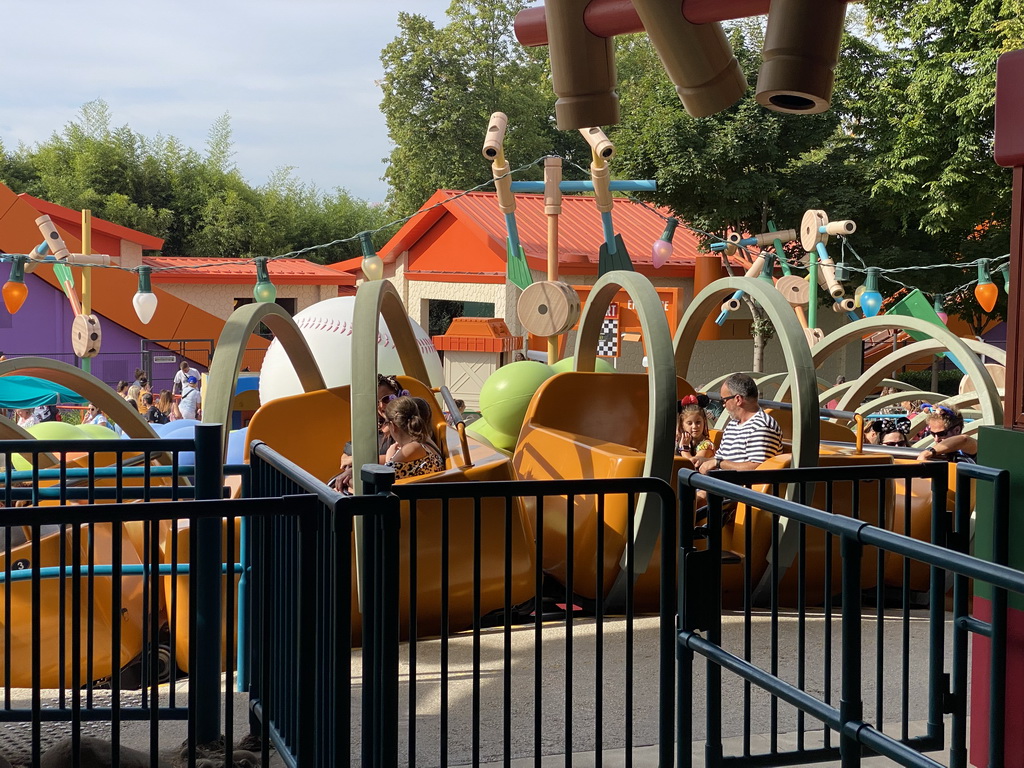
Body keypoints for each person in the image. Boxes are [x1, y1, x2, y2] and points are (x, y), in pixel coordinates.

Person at [695, 373, 782, 475]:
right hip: (720, 484)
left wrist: (718, 463)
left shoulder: (761, 427)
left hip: (735, 489)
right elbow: (720, 458)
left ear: (738, 399)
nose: (723, 405)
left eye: (724, 400)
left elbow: (758, 468)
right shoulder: (733, 424)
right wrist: (702, 461)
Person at [382, 396, 444, 480]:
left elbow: (383, 480)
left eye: (386, 422)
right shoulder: (426, 441)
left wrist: (389, 457)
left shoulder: (412, 448)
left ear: (393, 426)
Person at [676, 394, 715, 461]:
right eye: (689, 423)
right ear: (682, 424)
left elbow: (693, 465)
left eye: (698, 422)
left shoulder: (706, 446)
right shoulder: (677, 440)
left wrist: (684, 448)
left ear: (704, 421)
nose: (694, 426)